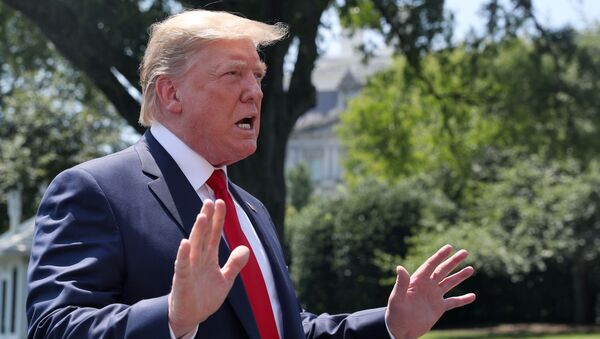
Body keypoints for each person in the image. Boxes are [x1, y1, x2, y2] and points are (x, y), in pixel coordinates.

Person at [26, 9, 476, 339]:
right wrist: (173, 317)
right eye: (233, 74)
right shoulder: (94, 191)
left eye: (257, 75)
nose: (254, 92)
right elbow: (53, 327)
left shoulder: (251, 209)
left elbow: (284, 328)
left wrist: (389, 324)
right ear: (171, 93)